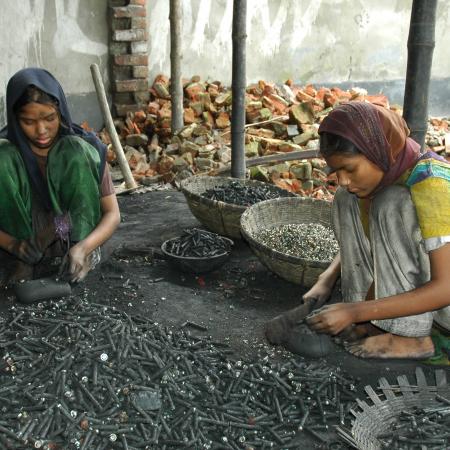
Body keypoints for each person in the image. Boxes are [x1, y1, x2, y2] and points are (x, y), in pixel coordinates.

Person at [267, 101, 450, 360]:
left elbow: (446, 288)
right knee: (345, 198)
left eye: (350, 169)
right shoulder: (385, 176)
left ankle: (413, 337)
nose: (342, 179)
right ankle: (368, 320)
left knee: (392, 203)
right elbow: (375, 241)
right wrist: (327, 279)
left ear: (377, 151)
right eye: (336, 170)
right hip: (419, 291)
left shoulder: (433, 186)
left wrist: (355, 311)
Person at [0, 68, 120, 285]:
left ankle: (80, 256)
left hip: (69, 229)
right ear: (15, 119)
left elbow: (112, 214)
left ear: (61, 111)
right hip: (26, 237)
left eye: (50, 118)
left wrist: (84, 247)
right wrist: (13, 245)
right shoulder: (7, 154)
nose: (41, 130)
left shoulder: (85, 149)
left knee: (74, 150)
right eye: (29, 122)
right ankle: (21, 263)